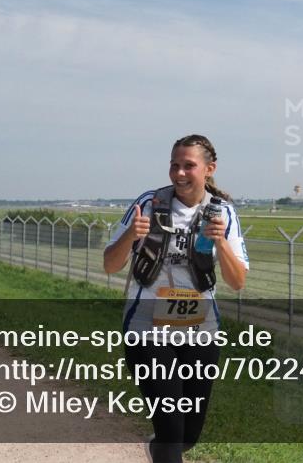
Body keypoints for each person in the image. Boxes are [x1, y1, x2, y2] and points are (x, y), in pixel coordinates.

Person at [104, 135, 248, 463]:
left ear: (209, 169)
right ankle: (163, 446)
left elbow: (237, 282)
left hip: (200, 327)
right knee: (170, 427)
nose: (179, 173)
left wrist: (220, 242)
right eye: (174, 165)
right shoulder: (150, 202)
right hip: (147, 326)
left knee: (187, 435)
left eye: (188, 166)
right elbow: (110, 265)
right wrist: (131, 235)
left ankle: (157, 448)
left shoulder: (223, 212)